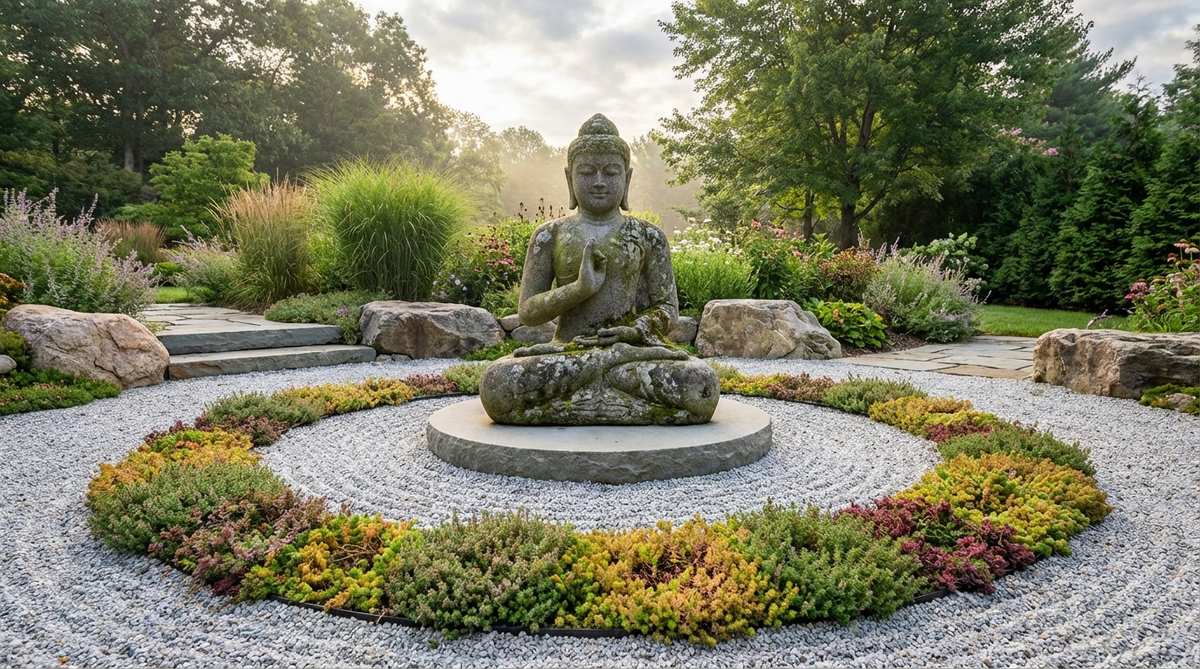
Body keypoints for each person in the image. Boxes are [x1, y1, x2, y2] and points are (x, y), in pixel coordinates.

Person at [479, 114, 719, 426]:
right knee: (498, 385)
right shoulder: (549, 235)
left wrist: (633, 332)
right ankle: (619, 402)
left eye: (611, 172)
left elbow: (667, 310)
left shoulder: (649, 236)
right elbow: (528, 312)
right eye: (587, 172)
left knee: (700, 384)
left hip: (628, 353)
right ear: (569, 178)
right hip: (568, 352)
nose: (599, 182)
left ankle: (578, 402)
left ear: (627, 178)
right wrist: (579, 289)